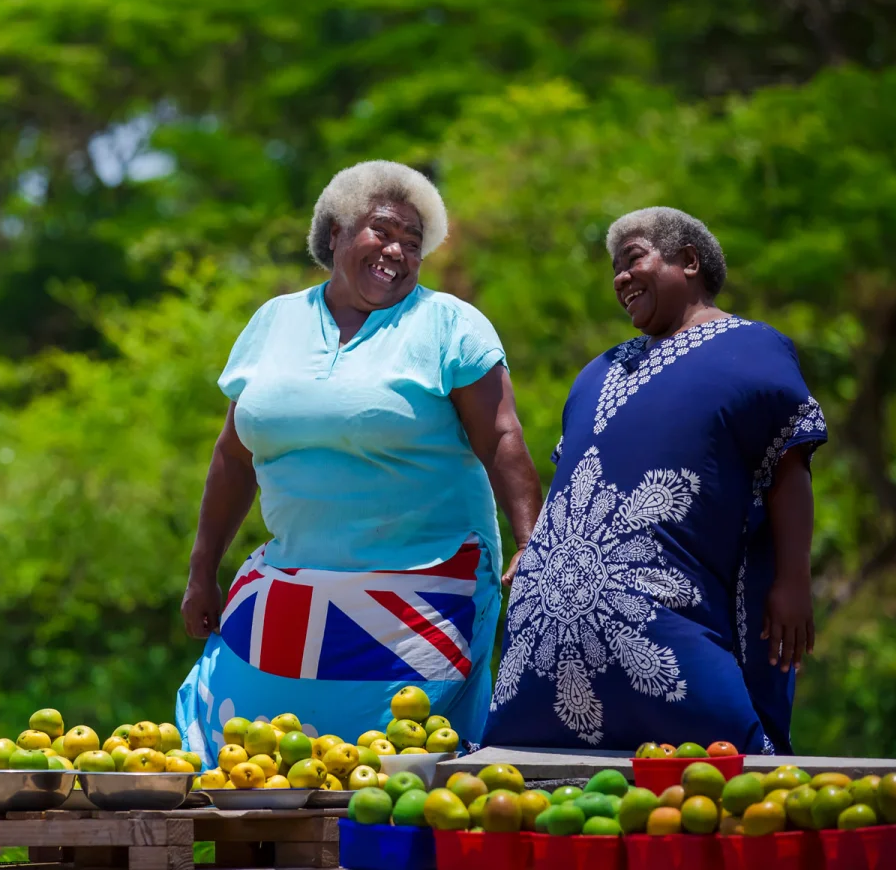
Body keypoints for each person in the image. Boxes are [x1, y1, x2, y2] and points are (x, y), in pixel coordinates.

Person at [173, 160, 543, 765]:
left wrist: (533, 542)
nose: (396, 250)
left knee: (383, 765)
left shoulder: (448, 323)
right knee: (233, 742)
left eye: (412, 242)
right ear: (336, 232)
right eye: (382, 231)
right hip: (296, 578)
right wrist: (202, 569)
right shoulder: (276, 321)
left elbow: (501, 436)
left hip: (421, 585)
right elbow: (233, 456)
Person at [483, 207, 825, 754]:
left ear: (688, 261)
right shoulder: (598, 371)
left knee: (727, 752)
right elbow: (579, 484)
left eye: (633, 258)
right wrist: (537, 548)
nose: (619, 278)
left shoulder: (754, 348)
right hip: (550, 626)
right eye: (614, 268)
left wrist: (794, 581)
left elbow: (789, 466)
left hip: (672, 615)